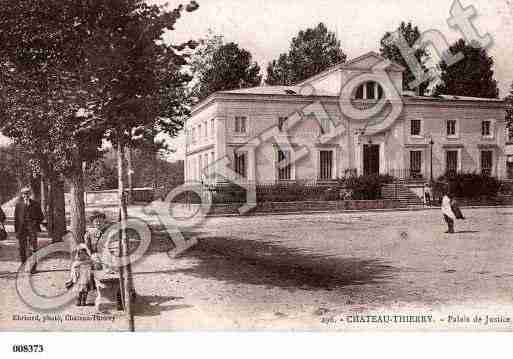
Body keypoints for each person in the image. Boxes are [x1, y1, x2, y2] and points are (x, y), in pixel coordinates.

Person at [14, 187, 44, 273]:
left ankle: (33, 268)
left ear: (29, 194)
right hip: (21, 230)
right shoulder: (18, 205)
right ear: (22, 195)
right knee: (22, 248)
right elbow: (16, 219)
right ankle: (23, 266)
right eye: (24, 194)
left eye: (27, 194)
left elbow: (41, 217)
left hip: (32, 229)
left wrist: (36, 223)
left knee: (33, 248)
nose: (26, 195)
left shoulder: (35, 204)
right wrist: (17, 232)